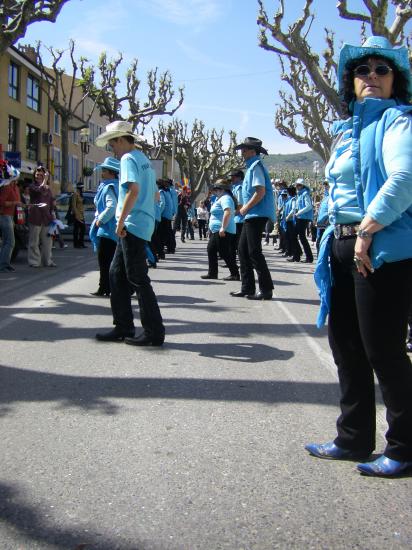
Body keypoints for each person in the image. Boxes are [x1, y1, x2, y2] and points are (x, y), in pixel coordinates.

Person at [306, 36, 412, 477]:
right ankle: (352, 440)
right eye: (362, 70)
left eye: (381, 70)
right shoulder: (347, 130)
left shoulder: (399, 121)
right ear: (351, 81)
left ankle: (405, 449)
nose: (370, 76)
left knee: (383, 350)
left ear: (395, 81)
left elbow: (404, 178)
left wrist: (367, 230)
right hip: (343, 243)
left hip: (381, 246)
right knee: (346, 346)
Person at [95, 120, 165, 346]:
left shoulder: (127, 159)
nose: (111, 149)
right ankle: (123, 327)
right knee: (116, 275)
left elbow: (133, 190)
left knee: (137, 278)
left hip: (132, 225)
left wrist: (121, 221)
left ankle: (154, 332)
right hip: (142, 223)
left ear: (121, 140)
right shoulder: (143, 159)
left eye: (112, 144)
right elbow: (155, 195)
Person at [229, 137, 275, 300]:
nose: (242, 152)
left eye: (245, 149)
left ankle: (266, 289)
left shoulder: (256, 167)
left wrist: (243, 209)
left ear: (253, 151)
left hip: (257, 214)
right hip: (252, 214)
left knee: (254, 251)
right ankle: (247, 287)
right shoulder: (251, 168)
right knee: (243, 251)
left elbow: (260, 192)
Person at [89, 157, 120, 297]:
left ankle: (105, 287)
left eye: (104, 170)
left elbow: (111, 206)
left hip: (107, 230)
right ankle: (111, 287)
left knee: (105, 261)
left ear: (111, 172)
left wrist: (100, 220)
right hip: (113, 229)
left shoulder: (109, 187)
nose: (102, 173)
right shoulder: (116, 186)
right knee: (112, 261)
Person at [200, 178, 239, 281]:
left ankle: (235, 273)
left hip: (223, 229)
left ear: (222, 189)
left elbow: (227, 212)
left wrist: (223, 227)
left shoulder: (226, 198)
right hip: (216, 229)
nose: (215, 191)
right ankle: (212, 273)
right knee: (211, 250)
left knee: (224, 252)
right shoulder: (219, 198)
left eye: (217, 189)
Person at [28, 165, 56, 267]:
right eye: (37, 174)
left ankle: (47, 261)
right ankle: (34, 261)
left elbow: (51, 201)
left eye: (41, 174)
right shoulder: (32, 186)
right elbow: (39, 190)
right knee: (34, 242)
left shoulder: (48, 188)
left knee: (48, 242)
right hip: (35, 217)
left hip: (46, 218)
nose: (38, 176)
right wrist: (45, 181)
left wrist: (53, 213)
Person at [0, 164, 21, 273]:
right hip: (5, 216)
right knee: (10, 242)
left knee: (6, 242)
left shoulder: (12, 187)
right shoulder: (7, 188)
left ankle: (5, 264)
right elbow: (1, 202)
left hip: (9, 216)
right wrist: (14, 202)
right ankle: (4, 265)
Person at [294, 177, 314, 263]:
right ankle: (299, 255)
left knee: (300, 237)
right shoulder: (300, 194)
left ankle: (305, 256)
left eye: (299, 185)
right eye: (297, 185)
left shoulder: (305, 193)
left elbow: (308, 206)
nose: (298, 186)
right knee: (299, 237)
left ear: (302, 185)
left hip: (303, 218)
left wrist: (299, 213)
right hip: (300, 218)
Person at [229, 169, 245, 254]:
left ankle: (237, 261)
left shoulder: (239, 188)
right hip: (236, 219)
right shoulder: (235, 187)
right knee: (234, 242)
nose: (232, 179)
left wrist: (232, 214)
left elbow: (240, 205)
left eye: (233, 177)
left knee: (236, 242)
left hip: (239, 219)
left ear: (239, 178)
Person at [315, 181, 330, 254]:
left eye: (327, 184)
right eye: (325, 185)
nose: (325, 186)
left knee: (324, 244)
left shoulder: (332, 196)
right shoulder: (325, 197)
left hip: (327, 224)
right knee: (319, 243)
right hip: (321, 224)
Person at [71, 182, 87, 248]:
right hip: (77, 215)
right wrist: (76, 215)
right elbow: (73, 205)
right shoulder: (75, 194)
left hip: (81, 214)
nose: (82, 189)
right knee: (76, 230)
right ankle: (76, 244)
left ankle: (81, 243)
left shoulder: (81, 195)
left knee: (83, 229)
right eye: (81, 188)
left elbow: (82, 205)